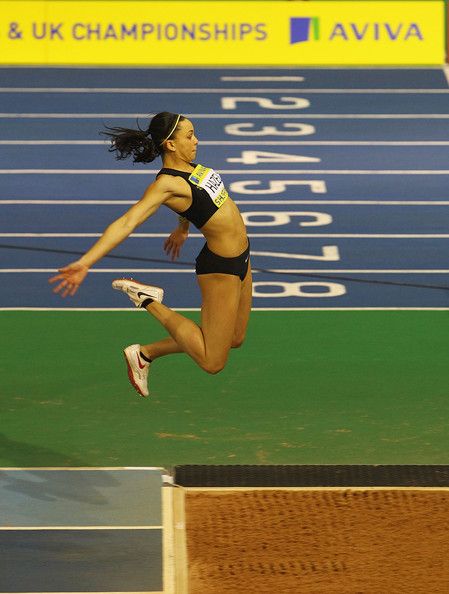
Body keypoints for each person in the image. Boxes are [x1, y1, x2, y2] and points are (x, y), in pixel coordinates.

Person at [49, 112, 252, 397]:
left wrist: (183, 228)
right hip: (221, 268)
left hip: (243, 256)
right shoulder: (165, 184)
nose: (197, 140)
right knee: (212, 361)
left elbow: (195, 202)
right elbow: (127, 222)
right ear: (170, 144)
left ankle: (144, 354)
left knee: (235, 338)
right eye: (189, 135)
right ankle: (147, 300)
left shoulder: (191, 167)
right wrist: (85, 262)